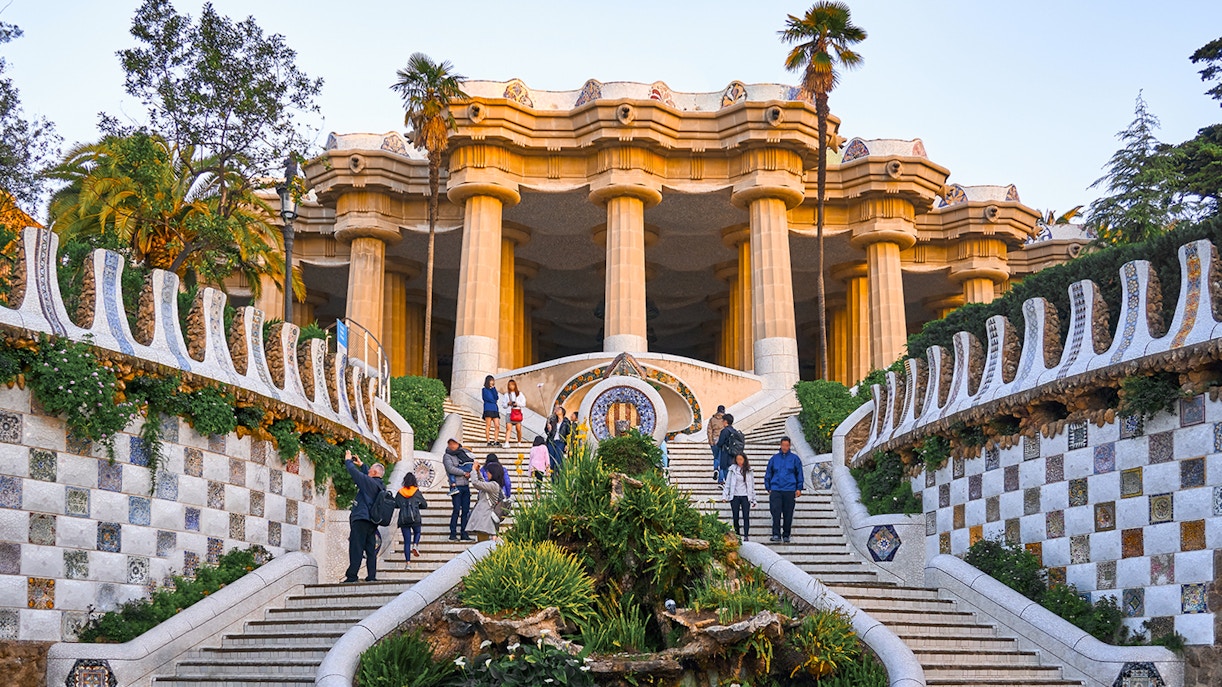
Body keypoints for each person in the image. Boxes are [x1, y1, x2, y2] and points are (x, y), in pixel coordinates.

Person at [342, 450, 385, 583]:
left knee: (356, 547)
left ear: (374, 473)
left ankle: (352, 576)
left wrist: (348, 460)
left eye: (370, 470)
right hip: (372, 521)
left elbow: (354, 473)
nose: (368, 471)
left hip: (361, 518)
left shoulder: (368, 483)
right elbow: (368, 476)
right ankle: (371, 576)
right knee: (370, 549)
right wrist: (362, 464)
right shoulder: (381, 486)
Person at [763, 436, 804, 544]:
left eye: (787, 445)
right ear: (780, 445)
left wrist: (799, 488)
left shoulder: (795, 459)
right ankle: (776, 534)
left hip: (789, 489)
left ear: (789, 446)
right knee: (775, 512)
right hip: (776, 489)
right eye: (783, 445)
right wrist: (768, 487)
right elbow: (768, 473)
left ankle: (786, 534)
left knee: (788, 513)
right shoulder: (774, 459)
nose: (785, 447)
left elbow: (799, 473)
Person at [468, 456, 507, 542]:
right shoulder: (493, 485)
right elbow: (482, 483)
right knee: (482, 541)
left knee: (482, 543)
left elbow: (476, 483)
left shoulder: (493, 485)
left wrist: (473, 470)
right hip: (484, 517)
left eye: (488, 472)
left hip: (485, 518)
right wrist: (478, 472)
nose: (487, 473)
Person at [443, 439, 475, 541]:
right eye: (450, 444)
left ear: (458, 444)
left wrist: (470, 473)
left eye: (454, 443)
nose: (452, 446)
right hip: (456, 486)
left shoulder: (462, 453)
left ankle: (464, 533)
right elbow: (450, 468)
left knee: (465, 510)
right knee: (456, 509)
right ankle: (453, 533)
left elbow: (469, 464)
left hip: (465, 485)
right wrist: (463, 473)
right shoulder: (447, 456)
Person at [722, 453, 757, 541]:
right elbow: (728, 483)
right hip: (735, 496)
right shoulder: (732, 469)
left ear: (744, 460)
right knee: (735, 516)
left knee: (746, 516)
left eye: (741, 460)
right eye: (738, 460)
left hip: (745, 496)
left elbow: (751, 485)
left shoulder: (749, 470)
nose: (739, 462)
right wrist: (725, 496)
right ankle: (737, 534)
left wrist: (753, 499)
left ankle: (746, 535)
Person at [395, 472, 428, 566]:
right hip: (415, 518)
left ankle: (408, 563)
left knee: (406, 542)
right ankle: (415, 545)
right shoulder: (416, 492)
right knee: (417, 532)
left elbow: (395, 504)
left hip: (403, 519)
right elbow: (424, 505)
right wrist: (417, 506)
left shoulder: (400, 492)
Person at [714, 413, 744, 485]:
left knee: (726, 472)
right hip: (733, 455)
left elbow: (720, 443)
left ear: (725, 421)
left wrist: (716, 443)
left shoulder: (725, 431)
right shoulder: (734, 431)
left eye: (723, 420)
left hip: (725, 454)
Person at [545, 405, 571, 471]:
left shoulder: (566, 422)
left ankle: (558, 477)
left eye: (559, 409)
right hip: (552, 441)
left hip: (561, 442)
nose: (557, 410)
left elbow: (569, 433)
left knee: (558, 458)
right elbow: (546, 431)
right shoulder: (552, 420)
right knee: (551, 459)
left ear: (562, 412)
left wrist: (567, 444)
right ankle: (552, 478)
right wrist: (549, 429)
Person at [502, 379, 526, 446]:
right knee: (508, 428)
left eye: (512, 385)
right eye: (509, 385)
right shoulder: (506, 395)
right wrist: (508, 403)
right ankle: (506, 442)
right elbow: (503, 405)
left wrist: (517, 404)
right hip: (509, 412)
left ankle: (519, 441)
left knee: (518, 429)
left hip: (517, 412)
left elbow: (524, 404)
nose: (511, 386)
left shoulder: (519, 394)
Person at [707, 405, 727, 483]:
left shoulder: (712, 419)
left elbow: (709, 431)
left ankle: (715, 469)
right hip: (722, 440)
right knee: (722, 460)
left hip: (714, 440)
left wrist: (711, 441)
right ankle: (721, 479)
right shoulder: (725, 420)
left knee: (716, 457)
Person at [481, 375, 501, 446]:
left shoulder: (493, 389)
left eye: (493, 380)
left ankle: (496, 440)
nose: (492, 382)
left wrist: (493, 389)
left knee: (497, 425)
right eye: (491, 380)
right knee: (488, 425)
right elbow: (487, 398)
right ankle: (488, 441)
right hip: (488, 408)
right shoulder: (484, 390)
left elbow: (496, 397)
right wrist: (493, 400)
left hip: (495, 408)